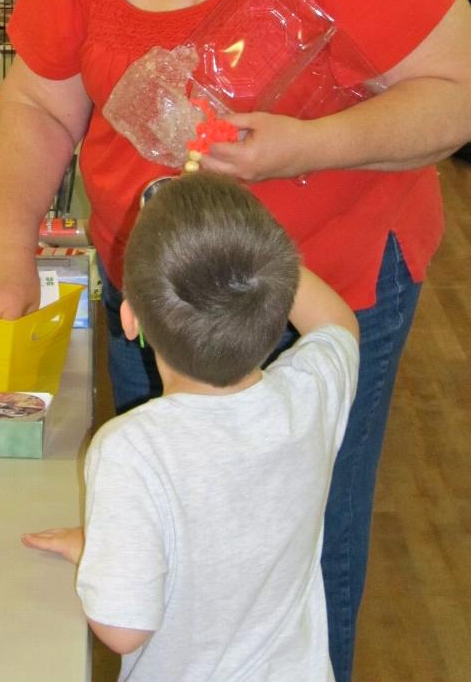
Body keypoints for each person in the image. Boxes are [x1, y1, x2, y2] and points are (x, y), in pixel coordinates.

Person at [0, 0, 471, 680]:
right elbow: (39, 102)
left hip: (317, 288)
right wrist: (6, 247)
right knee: (164, 498)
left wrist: (299, 146)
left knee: (294, 554)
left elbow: (463, 97)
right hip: (155, 290)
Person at [24, 173, 359, 680]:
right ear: (278, 305)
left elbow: (123, 628)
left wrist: (98, 551)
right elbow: (337, 322)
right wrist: (247, 253)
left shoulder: (131, 448)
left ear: (131, 319)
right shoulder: (310, 396)